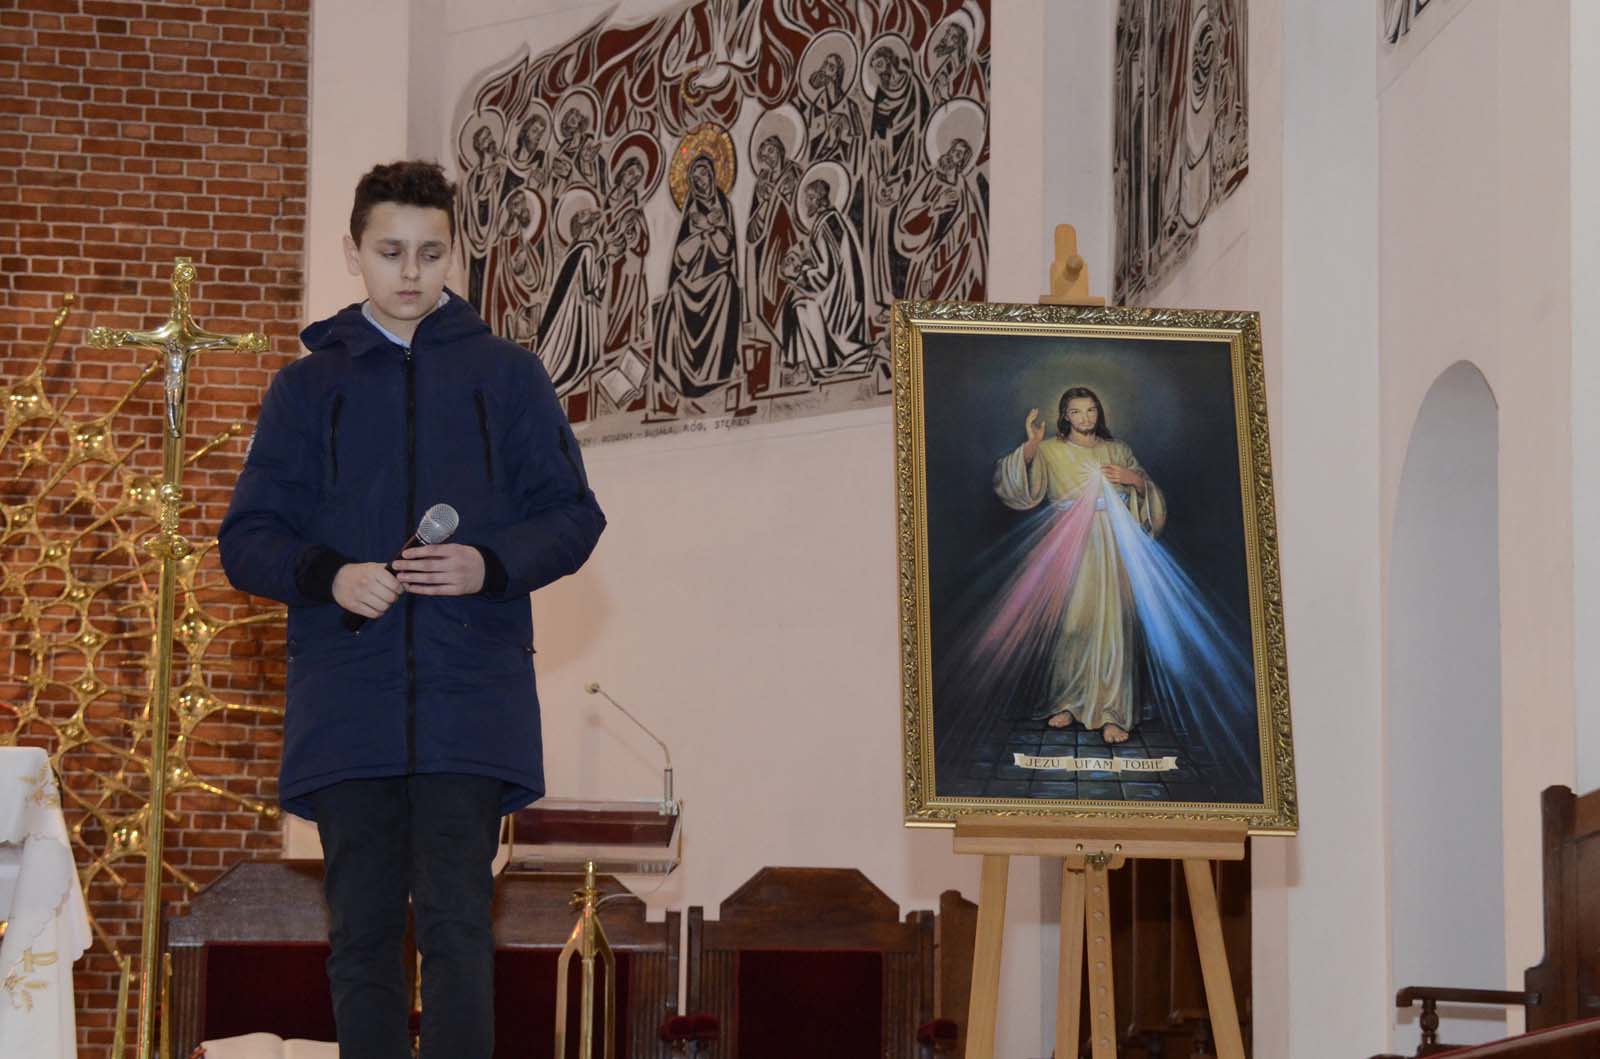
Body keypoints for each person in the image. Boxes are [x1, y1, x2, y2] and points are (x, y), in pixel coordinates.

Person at [218, 160, 606, 1059]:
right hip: (348, 700)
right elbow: (247, 538)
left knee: (458, 930)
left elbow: (573, 516)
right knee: (360, 936)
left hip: (469, 700)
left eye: (431, 253)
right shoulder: (305, 388)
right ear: (352, 251)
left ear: (454, 253)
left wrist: (489, 564)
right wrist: (327, 575)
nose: (410, 272)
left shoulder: (509, 377)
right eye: (390, 251)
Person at [991, 387, 1164, 743]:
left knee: (1114, 624)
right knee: (1072, 623)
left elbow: (1148, 494)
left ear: (1098, 412)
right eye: (1076, 412)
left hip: (1114, 543)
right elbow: (1015, 488)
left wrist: (1133, 480)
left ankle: (1113, 711)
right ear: (1065, 416)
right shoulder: (1050, 450)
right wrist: (1031, 445)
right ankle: (1069, 700)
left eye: (1090, 410)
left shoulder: (1118, 449)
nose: (1085, 418)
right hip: (1070, 543)